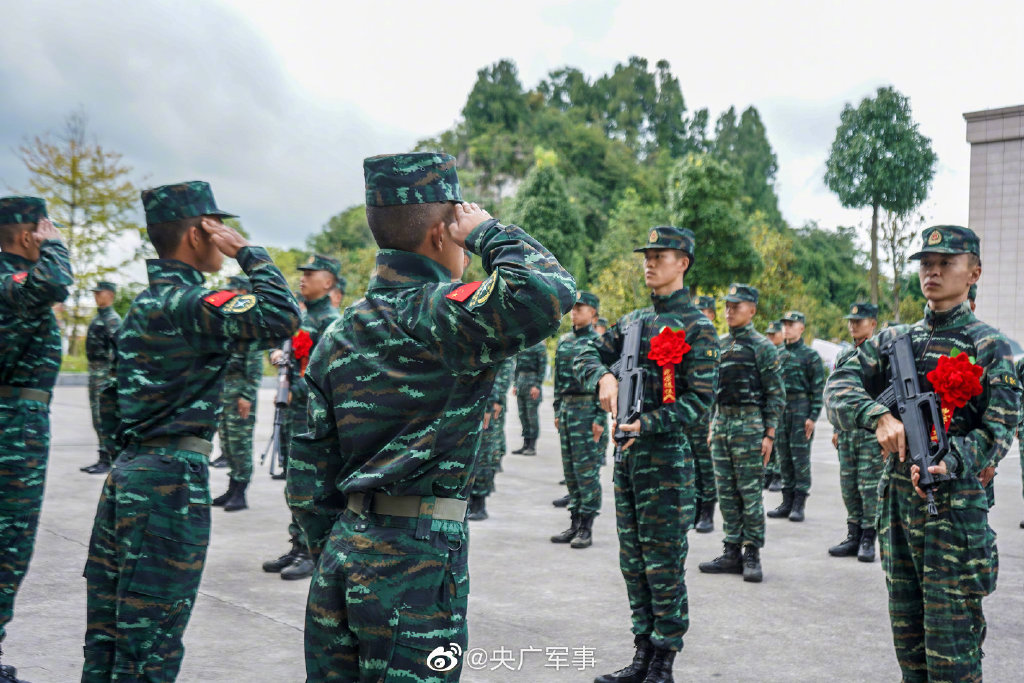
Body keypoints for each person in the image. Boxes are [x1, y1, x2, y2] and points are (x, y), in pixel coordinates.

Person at [284, 152, 574, 681]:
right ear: (443, 236)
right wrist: (489, 232)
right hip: (416, 563)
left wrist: (342, 548)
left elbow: (306, 475)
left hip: (341, 555)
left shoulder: (337, 334)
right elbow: (550, 292)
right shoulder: (446, 315)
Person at [81, 181, 300, 682]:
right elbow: (284, 316)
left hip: (130, 471)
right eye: (217, 227)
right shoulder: (191, 303)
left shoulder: (142, 305)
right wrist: (248, 252)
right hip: (168, 483)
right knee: (151, 641)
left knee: (110, 634)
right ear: (200, 233)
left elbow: (112, 399)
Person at [825, 225, 1017, 682]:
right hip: (897, 506)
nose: (932, 271)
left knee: (952, 654)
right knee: (908, 644)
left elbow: (999, 430)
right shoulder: (894, 340)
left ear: (974, 273)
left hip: (954, 515)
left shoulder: (991, 347)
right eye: (926, 264)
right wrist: (878, 417)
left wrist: (951, 461)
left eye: (945, 263)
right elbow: (839, 385)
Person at [576, 226, 719, 683]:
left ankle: (664, 659)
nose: (650, 262)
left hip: (668, 463)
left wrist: (649, 424)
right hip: (627, 461)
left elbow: (699, 403)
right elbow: (585, 354)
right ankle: (641, 651)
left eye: (661, 255)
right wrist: (603, 377)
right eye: (647, 255)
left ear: (684, 263)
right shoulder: (633, 322)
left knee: (663, 563)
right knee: (633, 560)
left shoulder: (699, 327)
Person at [0, 196, 72, 683]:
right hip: (12, 429)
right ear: (29, 236)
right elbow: (56, 281)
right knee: (9, 545)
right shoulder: (12, 283)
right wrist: (58, 246)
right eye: (44, 229)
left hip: (15, 421)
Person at [262, 254, 342, 581]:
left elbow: (323, 373)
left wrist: (297, 386)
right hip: (295, 413)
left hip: (313, 416)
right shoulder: (303, 318)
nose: (303, 278)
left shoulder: (331, 322)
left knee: (310, 487)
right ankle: (298, 544)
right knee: (294, 484)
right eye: (302, 274)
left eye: (311, 273)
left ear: (329, 282)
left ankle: (312, 551)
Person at [698, 284, 784, 583]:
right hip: (722, 424)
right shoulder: (719, 344)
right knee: (726, 492)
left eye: (736, 305)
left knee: (749, 493)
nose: (729, 310)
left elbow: (775, 393)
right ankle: (731, 549)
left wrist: (769, 434)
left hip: (750, 426)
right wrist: (712, 424)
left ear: (752, 310)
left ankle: (752, 552)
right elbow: (712, 391)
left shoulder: (763, 347)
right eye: (727, 305)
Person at [827, 302, 882, 561]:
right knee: (848, 484)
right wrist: (837, 428)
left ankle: (869, 538)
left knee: (869, 486)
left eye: (858, 321)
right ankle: (853, 534)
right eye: (850, 321)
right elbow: (839, 396)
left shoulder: (882, 355)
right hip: (849, 431)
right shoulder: (844, 355)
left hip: (872, 431)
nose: (852, 325)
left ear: (873, 323)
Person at [550, 291, 605, 549]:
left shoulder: (600, 342)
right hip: (568, 409)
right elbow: (559, 381)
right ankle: (574, 522)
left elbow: (604, 383)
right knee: (571, 470)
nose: (575, 312)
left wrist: (599, 418)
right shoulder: (564, 341)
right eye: (574, 308)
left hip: (587, 409)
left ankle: (587, 526)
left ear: (593, 313)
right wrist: (557, 410)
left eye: (581, 308)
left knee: (587, 471)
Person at [209, 275, 265, 511]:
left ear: (243, 293)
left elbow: (255, 368)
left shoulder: (249, 326)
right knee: (228, 443)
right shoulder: (230, 322)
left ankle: (240, 492)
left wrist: (247, 396)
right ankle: (232, 488)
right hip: (224, 392)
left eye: (232, 292)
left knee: (240, 442)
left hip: (240, 393)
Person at [766, 310, 824, 522]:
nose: (787, 328)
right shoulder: (776, 354)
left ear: (802, 328)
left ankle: (799, 503)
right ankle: (786, 501)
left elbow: (818, 389)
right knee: (783, 457)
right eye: (785, 324)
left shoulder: (810, 356)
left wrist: (812, 416)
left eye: (792, 324)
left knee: (800, 457)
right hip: (781, 409)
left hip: (801, 408)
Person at [80, 281, 121, 475]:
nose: (97, 296)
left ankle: (108, 458)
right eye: (95, 293)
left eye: (100, 293)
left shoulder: (112, 319)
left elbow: (119, 348)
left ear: (110, 295)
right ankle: (103, 456)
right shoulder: (100, 317)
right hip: (95, 370)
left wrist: (113, 374)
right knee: (96, 418)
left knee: (102, 416)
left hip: (104, 372)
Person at [467, 357, 514, 521]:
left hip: (487, 402)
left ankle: (479, 503)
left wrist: (492, 401)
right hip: (471, 400)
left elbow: (499, 375)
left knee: (484, 452)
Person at [512, 340, 547, 455]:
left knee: (531, 416)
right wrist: (515, 384)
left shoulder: (539, 347)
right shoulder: (521, 345)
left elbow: (542, 367)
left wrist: (537, 385)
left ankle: (532, 446)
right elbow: (517, 366)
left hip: (532, 382)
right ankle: (525, 444)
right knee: (522, 415)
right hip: (521, 382)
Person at [763, 319, 785, 490]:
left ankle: (778, 474)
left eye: (773, 334)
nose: (770, 337)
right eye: (768, 334)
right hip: (766, 403)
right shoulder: (764, 352)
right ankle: (768, 472)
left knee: (777, 441)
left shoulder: (784, 353)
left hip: (783, 404)